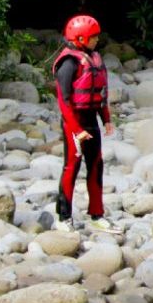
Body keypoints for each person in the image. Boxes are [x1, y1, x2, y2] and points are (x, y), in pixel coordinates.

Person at [52, 15, 113, 232]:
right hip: (74, 123)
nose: (97, 40)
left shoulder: (94, 57)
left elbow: (101, 93)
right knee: (72, 167)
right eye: (93, 37)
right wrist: (76, 130)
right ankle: (63, 217)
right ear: (80, 38)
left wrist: (106, 118)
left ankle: (97, 214)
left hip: (91, 121)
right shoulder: (68, 63)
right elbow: (64, 101)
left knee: (96, 166)